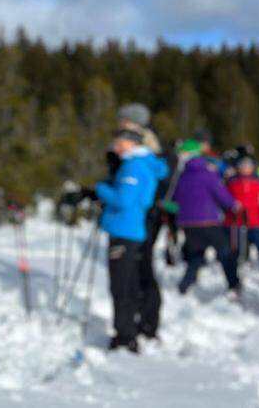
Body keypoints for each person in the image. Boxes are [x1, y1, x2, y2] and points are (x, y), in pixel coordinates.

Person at [96, 128, 167, 353]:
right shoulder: (140, 163)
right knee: (129, 283)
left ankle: (125, 336)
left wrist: (101, 189)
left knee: (121, 285)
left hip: (124, 230)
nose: (116, 146)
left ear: (131, 143)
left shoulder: (134, 165)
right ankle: (130, 330)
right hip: (128, 229)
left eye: (119, 142)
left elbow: (124, 199)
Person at [172, 145, 242, 296]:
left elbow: (176, 197)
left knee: (196, 254)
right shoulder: (208, 174)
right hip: (207, 220)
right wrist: (234, 204)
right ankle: (234, 284)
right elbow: (221, 194)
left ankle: (185, 285)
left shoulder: (182, 176)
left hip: (187, 223)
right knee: (225, 252)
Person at [225, 156, 259, 288]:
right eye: (243, 166)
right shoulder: (232, 183)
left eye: (248, 166)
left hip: (255, 223)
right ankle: (234, 281)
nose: (245, 169)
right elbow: (225, 200)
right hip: (236, 223)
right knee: (235, 254)